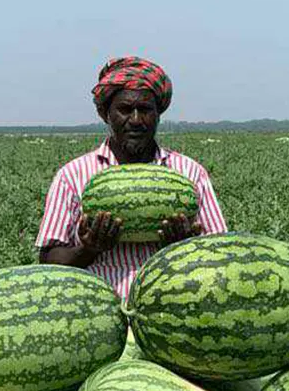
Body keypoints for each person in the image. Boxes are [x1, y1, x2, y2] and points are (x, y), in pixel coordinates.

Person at [36, 56, 228, 299]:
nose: (136, 120)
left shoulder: (189, 173)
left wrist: (185, 249)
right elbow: (48, 263)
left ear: (159, 113)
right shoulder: (72, 176)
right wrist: (88, 249)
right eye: (125, 110)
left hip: (171, 314)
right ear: (106, 114)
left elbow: (221, 257)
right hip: (99, 314)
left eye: (145, 110)